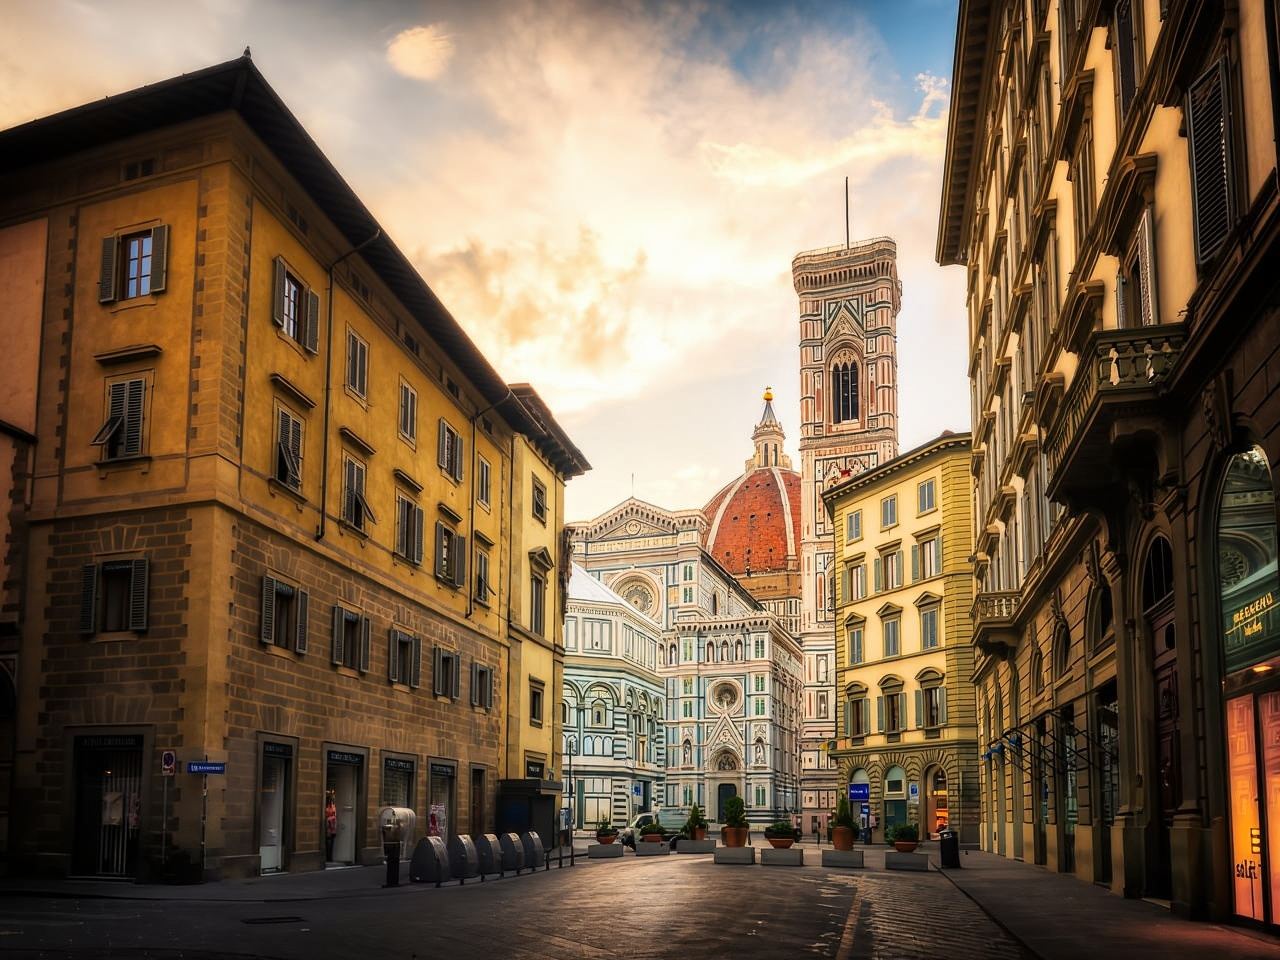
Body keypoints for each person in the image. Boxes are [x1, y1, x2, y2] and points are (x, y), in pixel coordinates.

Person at [324, 791, 338, 862]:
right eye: (332, 798)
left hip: (332, 827)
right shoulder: (326, 807)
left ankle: (330, 858)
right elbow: (327, 816)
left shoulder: (333, 806)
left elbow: (334, 816)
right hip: (328, 827)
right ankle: (328, 858)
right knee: (328, 843)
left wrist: (335, 827)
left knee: (331, 843)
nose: (333, 800)